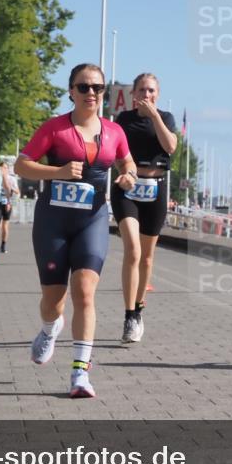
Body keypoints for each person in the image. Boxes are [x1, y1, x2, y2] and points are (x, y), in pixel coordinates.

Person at [14, 63, 136, 398]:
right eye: (84, 87)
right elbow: (21, 164)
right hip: (53, 221)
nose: (92, 93)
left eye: (98, 88)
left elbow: (127, 162)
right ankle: (50, 329)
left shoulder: (114, 132)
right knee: (53, 301)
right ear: (71, 91)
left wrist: (128, 175)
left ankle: (79, 373)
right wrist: (59, 170)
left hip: (92, 220)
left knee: (84, 291)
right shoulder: (54, 129)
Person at [112, 73, 178, 344]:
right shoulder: (124, 120)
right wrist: (123, 172)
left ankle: (138, 309)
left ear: (157, 94)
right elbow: (116, 152)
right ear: (133, 94)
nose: (146, 95)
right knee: (133, 250)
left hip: (156, 186)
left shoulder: (166, 117)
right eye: (142, 90)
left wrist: (155, 117)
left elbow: (170, 147)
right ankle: (128, 316)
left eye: (151, 90)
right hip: (128, 187)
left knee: (148, 258)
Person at [0, 158, 20, 253]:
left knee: (5, 225)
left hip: (7, 203)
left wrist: (10, 187)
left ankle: (3, 245)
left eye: (6, 168)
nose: (4, 169)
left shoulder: (11, 179)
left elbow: (18, 191)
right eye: (2, 167)